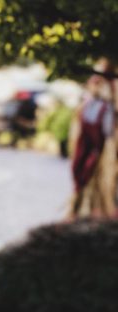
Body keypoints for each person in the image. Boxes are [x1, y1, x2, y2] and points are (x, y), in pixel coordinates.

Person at [70, 68, 117, 219]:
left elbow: (108, 134)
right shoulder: (88, 106)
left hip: (100, 157)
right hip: (88, 154)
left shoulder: (106, 107)